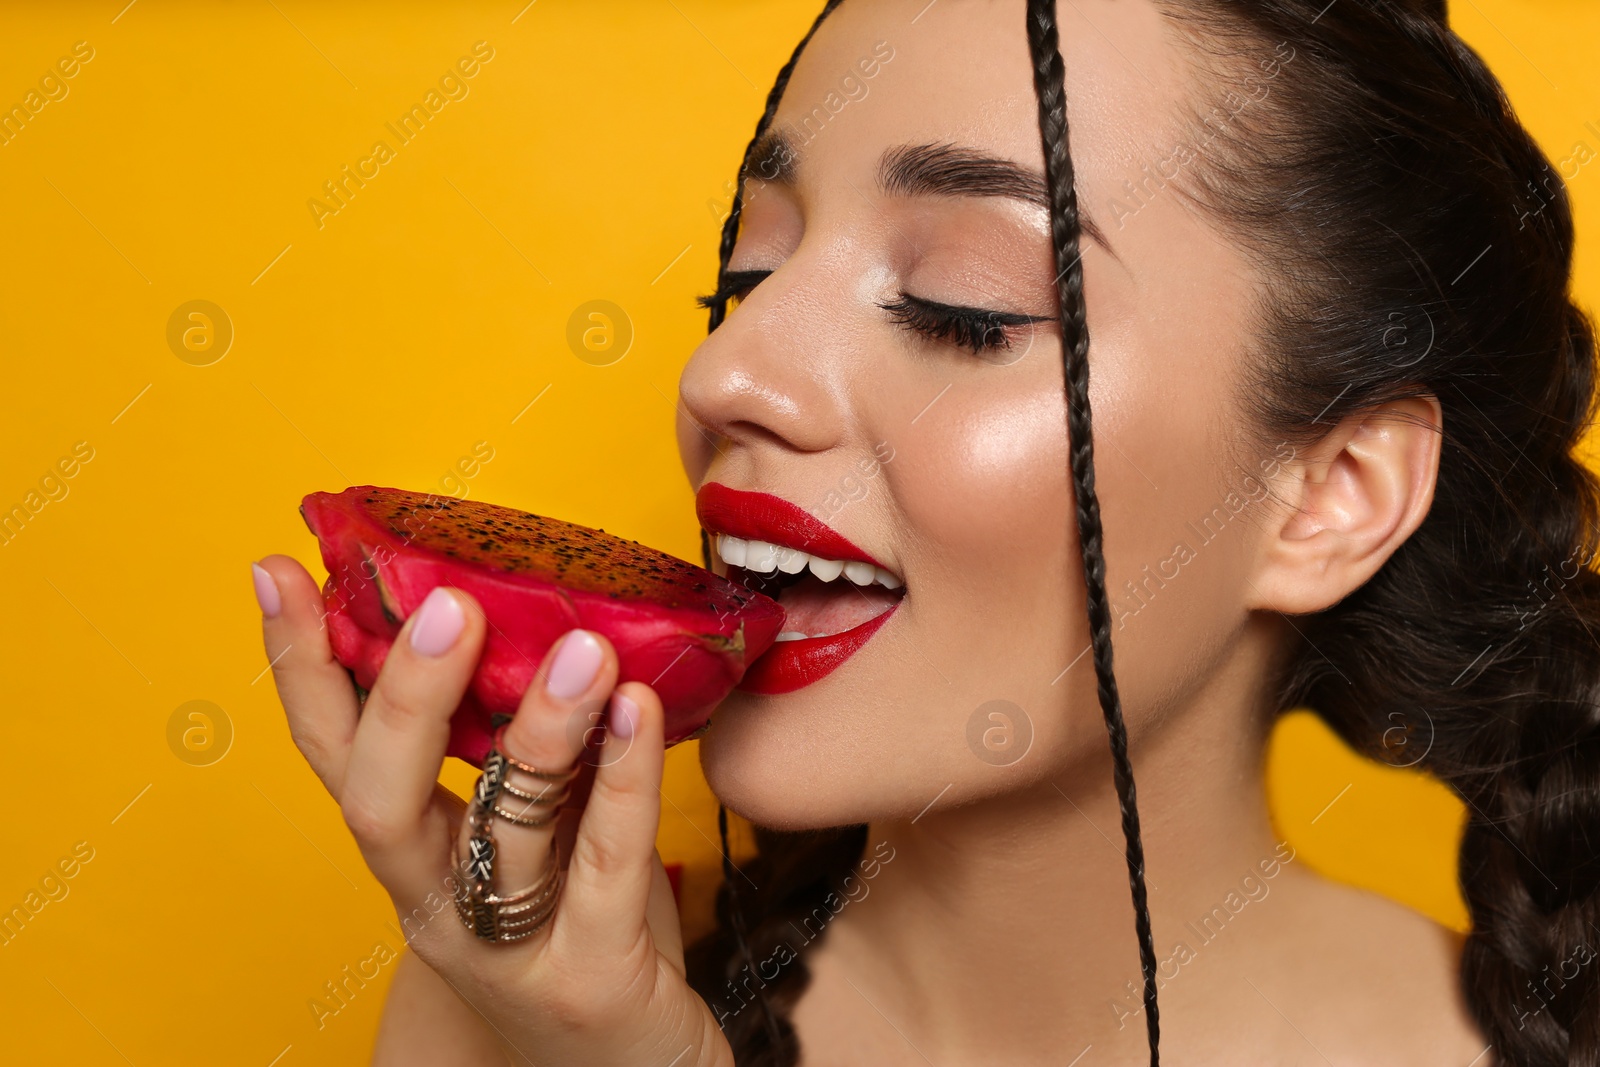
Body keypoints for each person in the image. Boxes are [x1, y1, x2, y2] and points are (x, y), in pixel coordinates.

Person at [251, 0, 1600, 1062]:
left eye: (964, 307)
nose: (726, 374)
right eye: (749, 274)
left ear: (1334, 494)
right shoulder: (522, 1012)